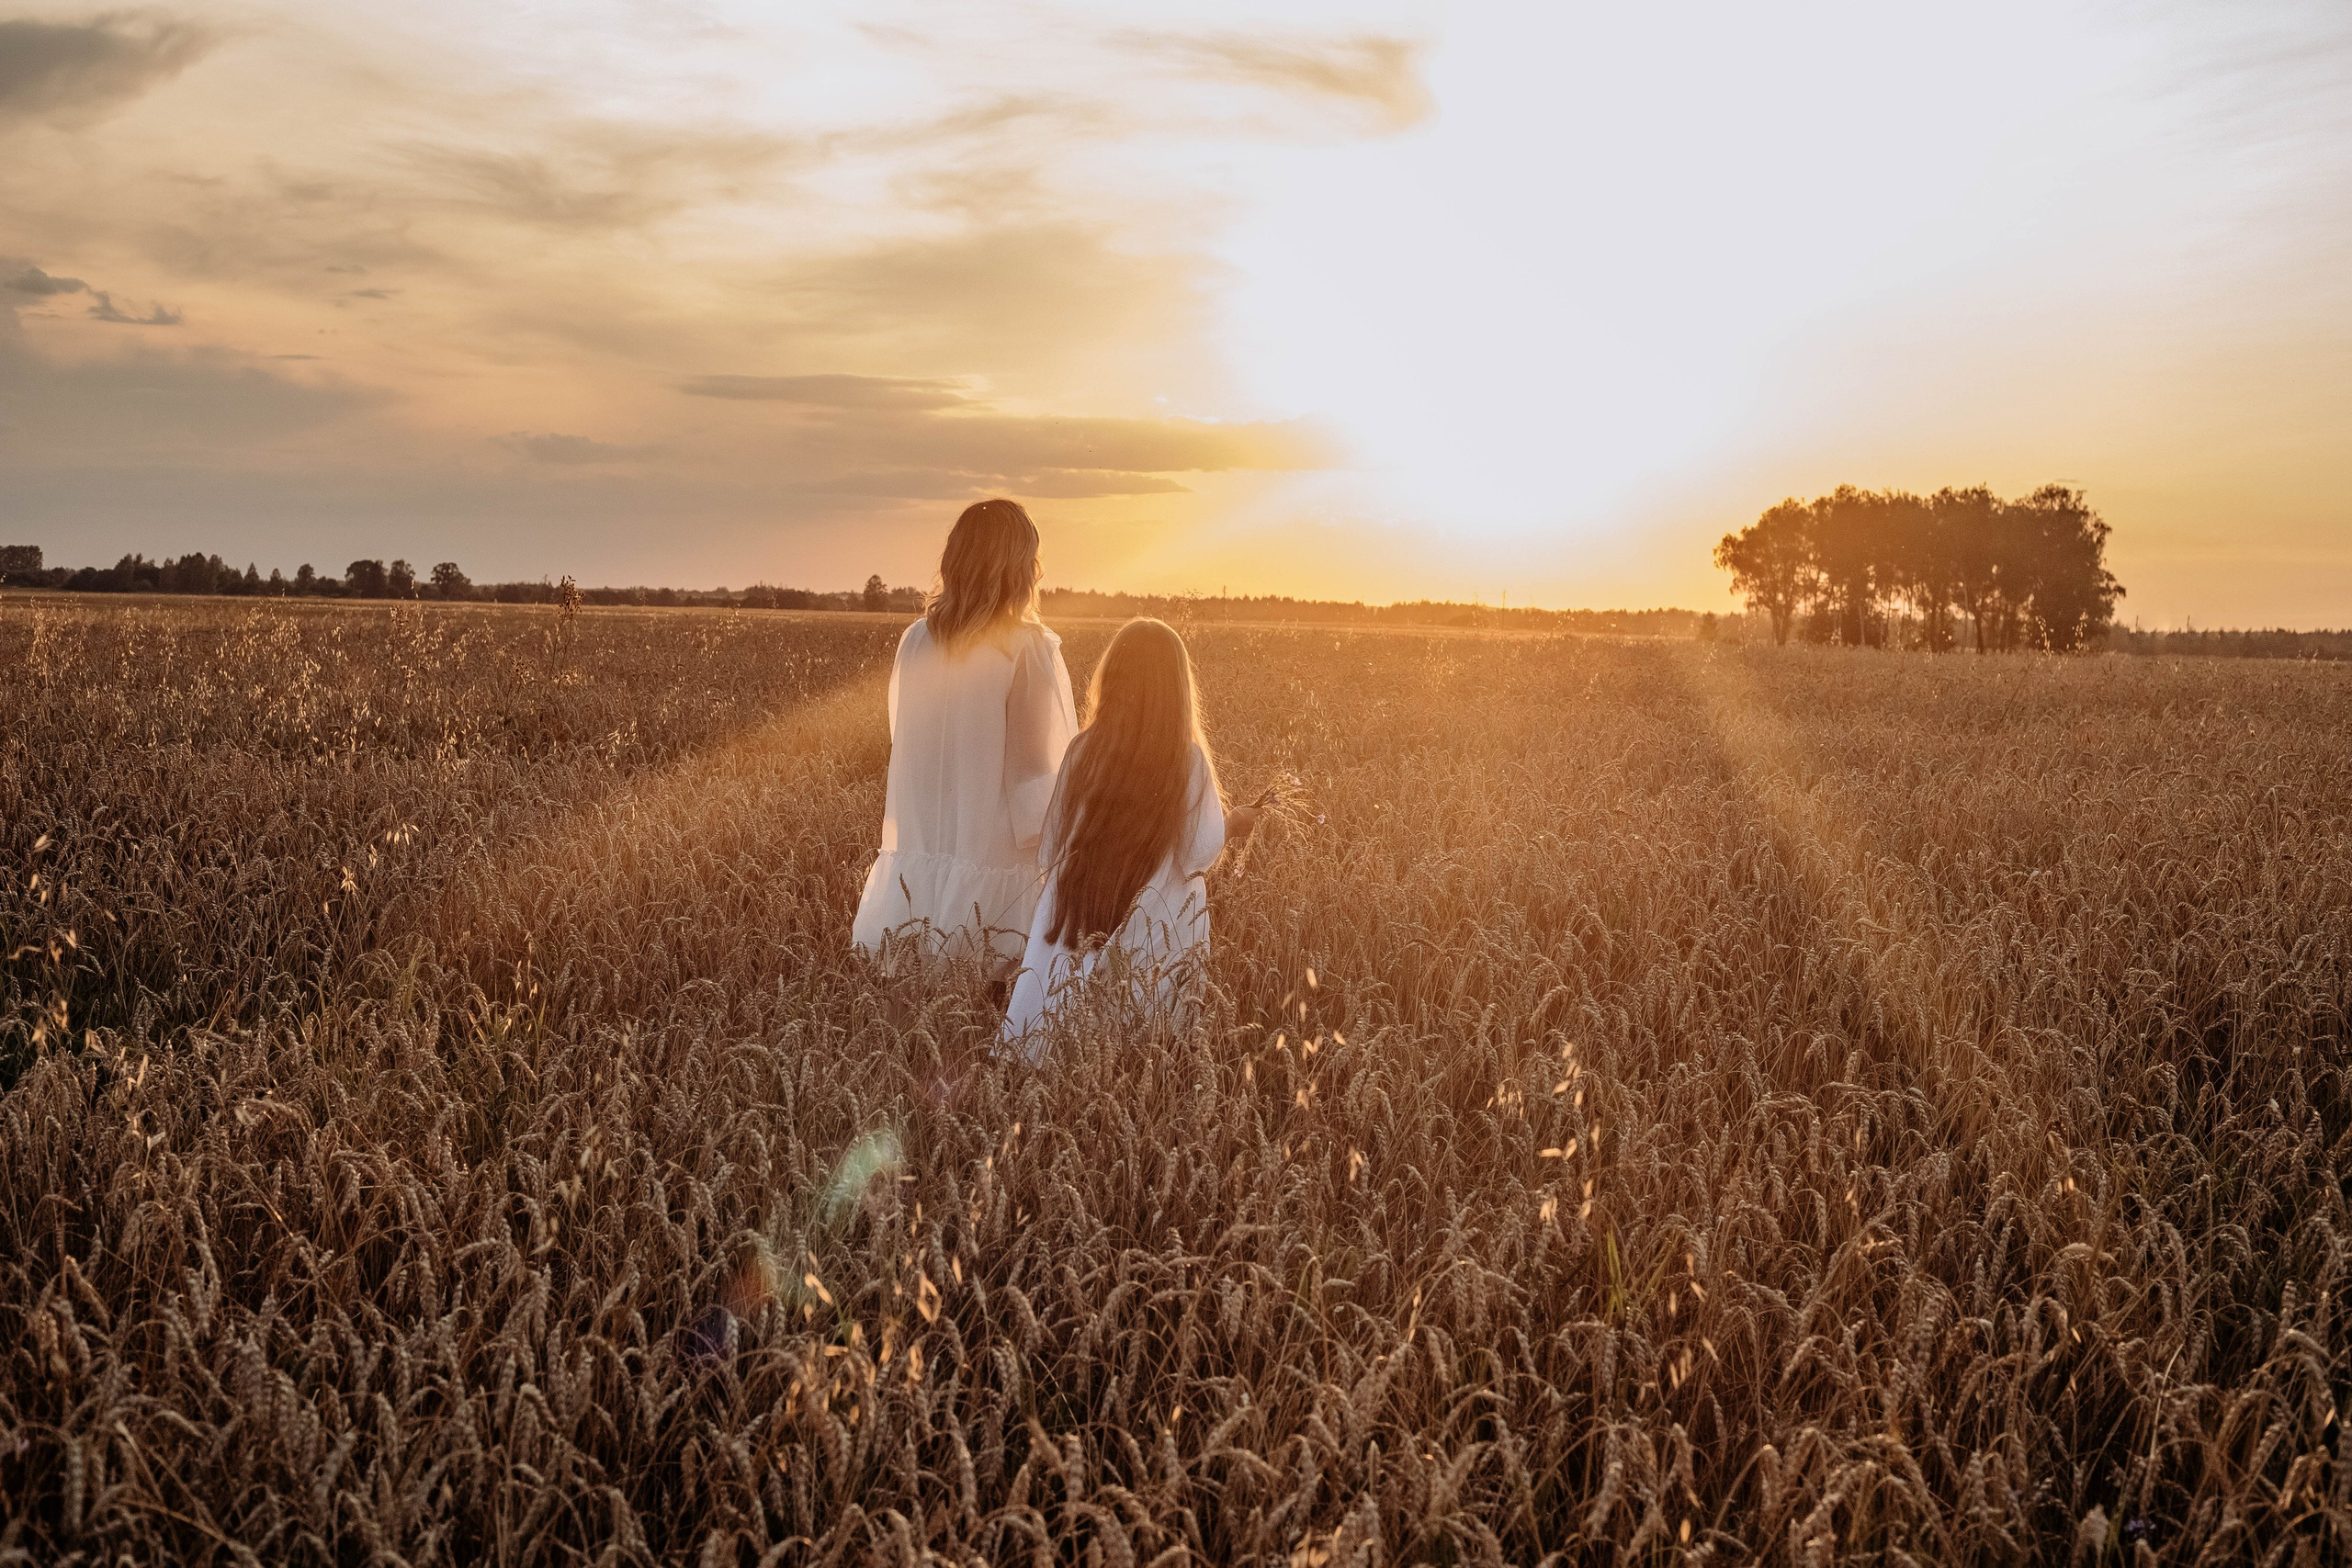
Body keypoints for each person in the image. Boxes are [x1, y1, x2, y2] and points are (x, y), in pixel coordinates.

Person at [1001, 618, 1258, 1055]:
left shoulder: (1082, 749)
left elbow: (1050, 852)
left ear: (1112, 680)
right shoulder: (1187, 760)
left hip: (1074, 921)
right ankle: (1140, 1044)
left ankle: (1046, 1039)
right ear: (1178, 691)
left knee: (1046, 1036)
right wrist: (1232, 824)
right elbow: (1199, 851)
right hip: (1146, 933)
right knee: (1189, 889)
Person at [850, 499, 1077, 972]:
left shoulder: (915, 639)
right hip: (993, 856)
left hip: (922, 844)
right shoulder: (1025, 646)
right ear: (1019, 567)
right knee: (987, 1016)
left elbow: (906, 738)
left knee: (912, 1011)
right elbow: (1032, 773)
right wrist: (1065, 850)